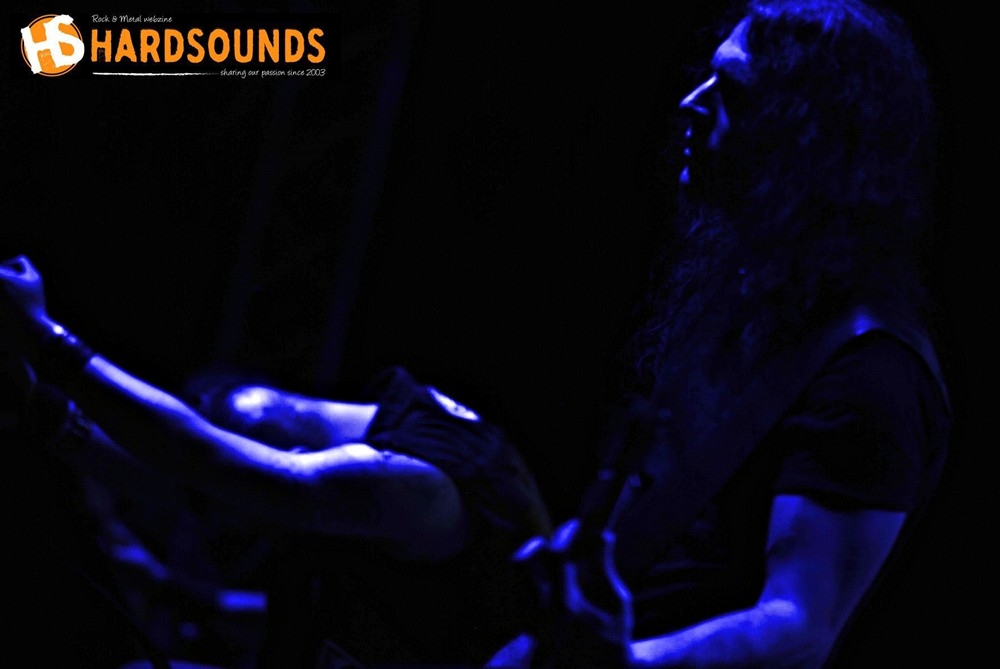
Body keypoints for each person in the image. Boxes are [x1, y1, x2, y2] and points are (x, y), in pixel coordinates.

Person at [486, 1, 951, 667]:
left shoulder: (872, 374)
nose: (690, 103)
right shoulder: (749, 309)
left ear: (804, 133)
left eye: (730, 89)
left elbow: (799, 626)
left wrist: (625, 663)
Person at [0, 262, 552, 668]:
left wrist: (42, 337)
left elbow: (199, 459)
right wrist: (40, 410)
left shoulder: (411, 482)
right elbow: (193, 475)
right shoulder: (378, 449)